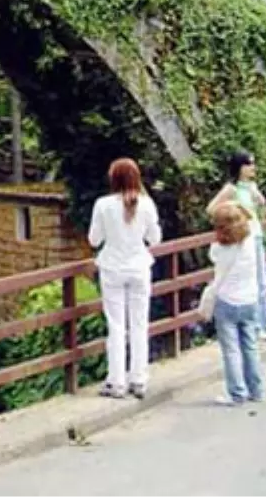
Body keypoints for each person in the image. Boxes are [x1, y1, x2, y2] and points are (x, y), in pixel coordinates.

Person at [89, 157, 162, 399]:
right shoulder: (147, 204)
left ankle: (116, 381)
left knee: (116, 326)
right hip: (139, 266)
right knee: (140, 324)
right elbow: (155, 239)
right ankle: (139, 379)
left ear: (113, 179)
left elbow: (94, 240)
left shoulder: (103, 205)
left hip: (112, 268)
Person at [207, 150, 266, 340]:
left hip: (256, 235)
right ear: (239, 167)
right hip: (242, 239)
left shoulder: (251, 186)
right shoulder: (231, 189)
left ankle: (265, 324)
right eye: (248, 164)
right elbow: (211, 209)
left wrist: (256, 194)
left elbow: (262, 204)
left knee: (262, 282)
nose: (252, 168)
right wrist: (233, 210)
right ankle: (255, 327)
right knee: (252, 282)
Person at [209, 202, 265, 405]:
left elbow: (214, 260)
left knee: (231, 350)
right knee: (250, 346)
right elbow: (251, 217)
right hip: (250, 300)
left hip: (226, 301)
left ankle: (237, 393)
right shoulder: (250, 241)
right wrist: (238, 205)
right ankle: (256, 390)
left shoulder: (218, 249)